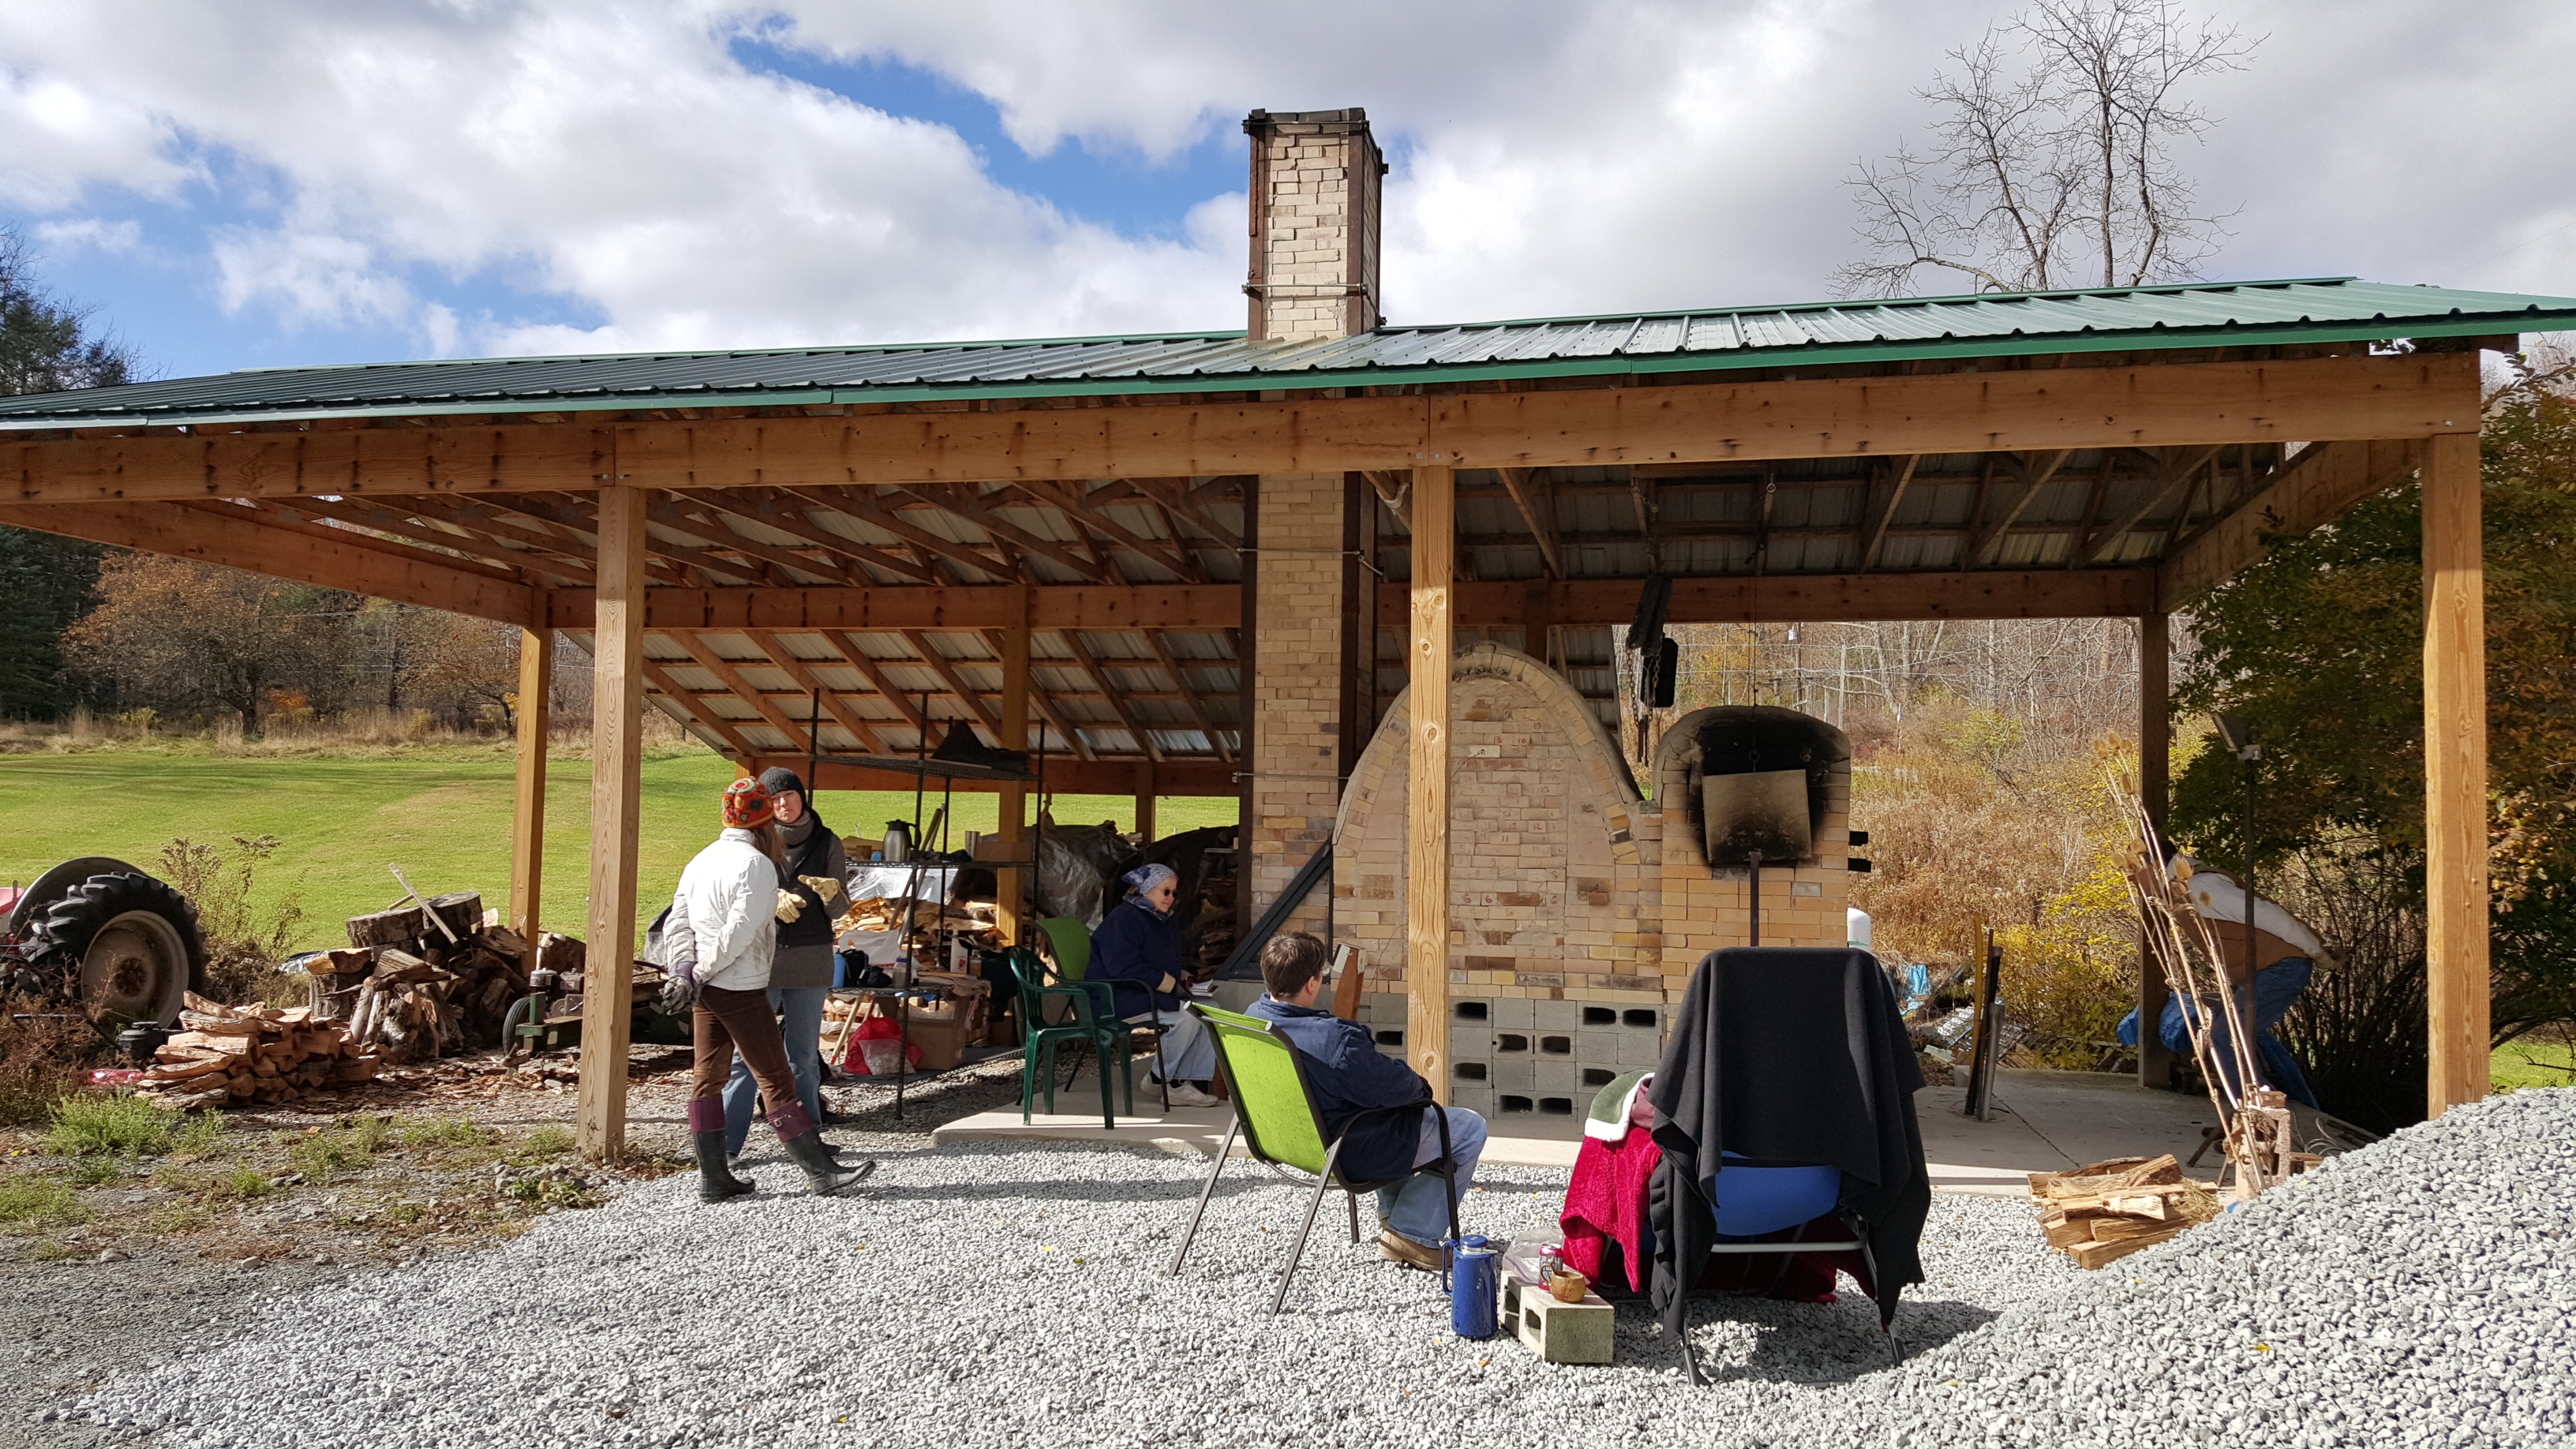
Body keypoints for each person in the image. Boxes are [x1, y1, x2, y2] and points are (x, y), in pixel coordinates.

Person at [662, 776, 871, 1203]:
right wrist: (701, 971)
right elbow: (739, 932)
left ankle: (715, 1177)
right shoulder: (756, 865)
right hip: (738, 986)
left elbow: (677, 921)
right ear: (762, 826)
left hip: (707, 988)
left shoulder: (701, 860)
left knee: (708, 1077)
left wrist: (685, 970)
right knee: (776, 1077)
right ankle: (821, 1173)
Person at [1248, 932, 1488, 1271]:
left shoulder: (1252, 1019)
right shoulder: (1334, 1040)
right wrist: (1420, 1088)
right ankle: (1412, 1233)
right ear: (1312, 983)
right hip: (1347, 1151)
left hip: (1288, 1142)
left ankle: (1394, 1216)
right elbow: (1398, 1087)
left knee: (1380, 1106)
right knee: (1469, 1127)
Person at [716, 766, 848, 1155]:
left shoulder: (828, 842)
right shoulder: (754, 841)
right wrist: (769, 900)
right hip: (762, 959)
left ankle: (810, 1142)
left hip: (811, 958)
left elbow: (840, 909)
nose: (783, 804)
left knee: (803, 1058)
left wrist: (833, 895)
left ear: (801, 797)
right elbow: (733, 895)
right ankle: (727, 1145)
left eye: (789, 795)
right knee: (746, 1056)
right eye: (773, 799)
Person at [1088, 863, 1219, 1108]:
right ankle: (1161, 1079)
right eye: (1165, 891)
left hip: (1147, 990)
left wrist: (1182, 978)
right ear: (1145, 890)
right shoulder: (1123, 919)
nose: (1171, 898)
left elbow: (1163, 961)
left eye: (1174, 892)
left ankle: (1185, 1083)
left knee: (1212, 1009)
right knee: (1187, 1017)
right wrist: (1169, 984)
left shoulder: (1163, 919)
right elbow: (1122, 969)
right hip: (1118, 996)